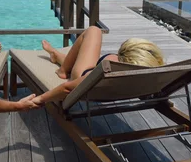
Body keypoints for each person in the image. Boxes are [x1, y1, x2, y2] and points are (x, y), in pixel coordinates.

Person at [31, 26, 165, 106]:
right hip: (109, 82)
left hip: (86, 77)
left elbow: (66, 88)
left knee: (94, 31)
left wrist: (39, 99)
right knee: (87, 55)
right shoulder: (149, 76)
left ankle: (62, 70)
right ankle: (55, 54)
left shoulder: (100, 74)